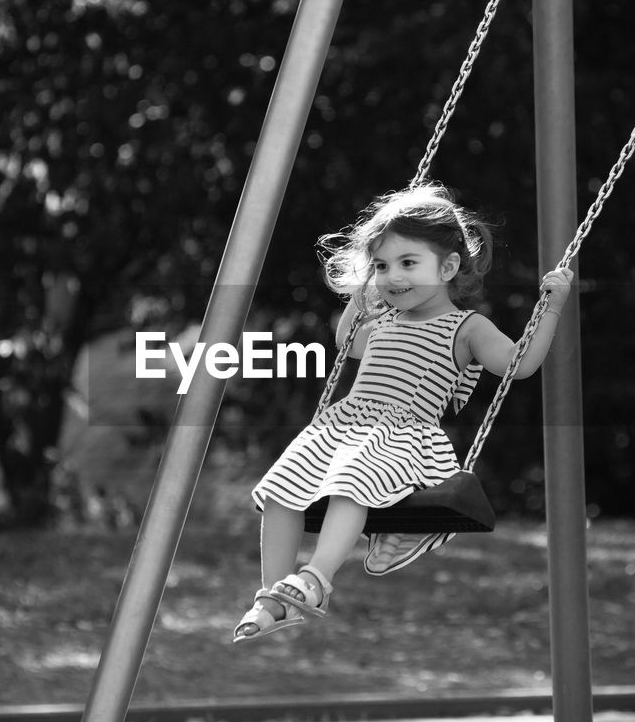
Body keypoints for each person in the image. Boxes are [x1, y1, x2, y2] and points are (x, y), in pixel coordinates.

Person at [233, 180, 573, 643]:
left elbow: (519, 365)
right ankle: (273, 593)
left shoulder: (466, 326)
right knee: (279, 490)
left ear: (449, 266)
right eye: (382, 266)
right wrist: (361, 291)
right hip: (343, 426)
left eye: (408, 263)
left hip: (402, 435)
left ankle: (316, 579)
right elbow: (344, 342)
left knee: (349, 482)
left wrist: (551, 307)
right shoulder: (382, 323)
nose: (393, 277)